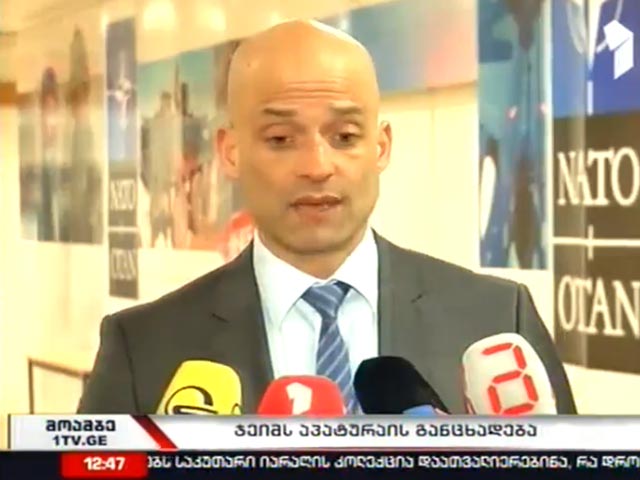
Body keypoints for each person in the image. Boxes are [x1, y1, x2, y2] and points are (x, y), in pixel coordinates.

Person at [78, 20, 576, 414]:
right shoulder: (142, 349)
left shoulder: (496, 320)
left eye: (344, 137)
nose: (317, 166)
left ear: (380, 146)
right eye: (280, 139)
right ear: (230, 152)